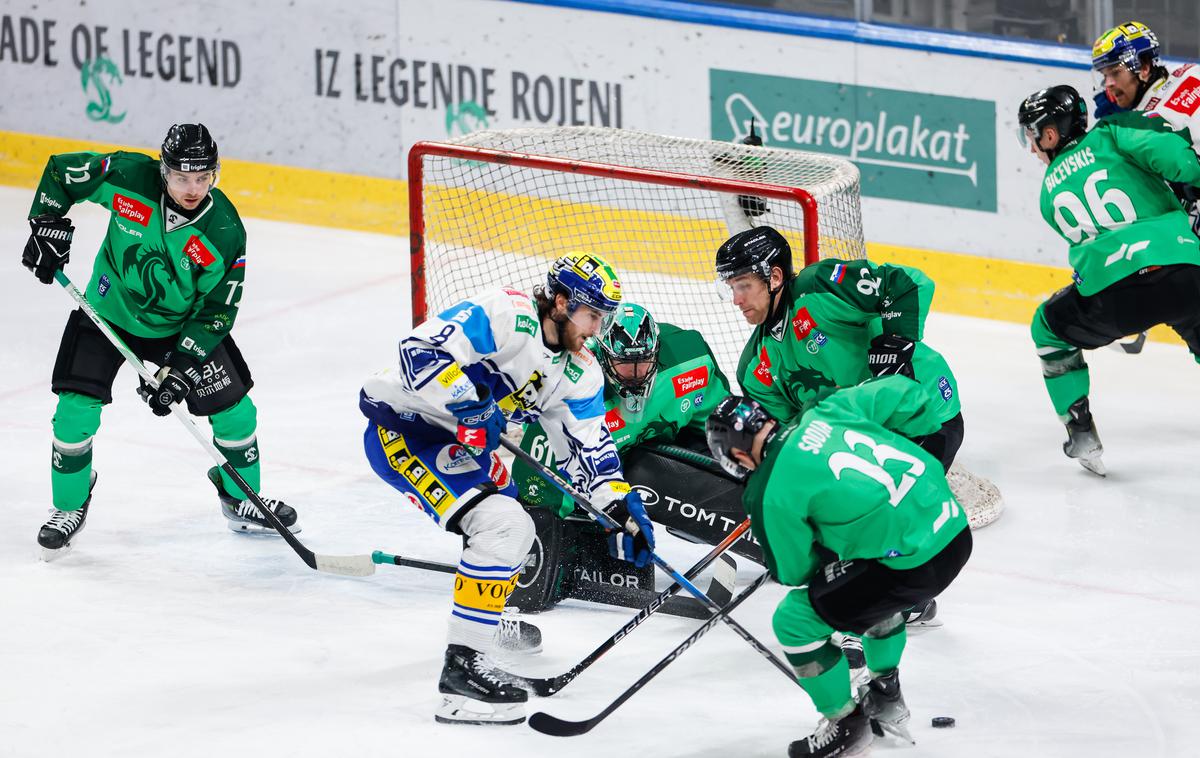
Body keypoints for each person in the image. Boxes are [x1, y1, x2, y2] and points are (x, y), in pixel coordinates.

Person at [358, 252, 655, 725]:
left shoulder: (581, 374)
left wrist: (618, 506)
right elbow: (417, 352)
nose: (597, 331)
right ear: (561, 301)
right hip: (408, 430)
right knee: (502, 525)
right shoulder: (506, 314)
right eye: (591, 315)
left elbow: (589, 453)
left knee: (513, 535)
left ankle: (480, 625)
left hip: (467, 449)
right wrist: (470, 403)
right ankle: (461, 678)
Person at [22, 123, 297, 561]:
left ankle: (240, 498)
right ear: (163, 171)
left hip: (181, 327)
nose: (192, 188)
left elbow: (218, 310)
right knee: (73, 414)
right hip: (106, 313)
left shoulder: (224, 231)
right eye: (182, 177)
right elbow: (62, 171)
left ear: (215, 174)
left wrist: (183, 369)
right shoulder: (129, 176)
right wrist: (46, 222)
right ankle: (69, 506)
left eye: (202, 177)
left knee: (236, 413)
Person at [705, 376, 972, 757]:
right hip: (954, 529)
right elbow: (906, 391)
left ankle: (845, 724)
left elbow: (794, 571)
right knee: (870, 582)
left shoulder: (768, 492)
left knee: (795, 620)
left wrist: (825, 544)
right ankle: (884, 691)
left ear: (738, 455)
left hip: (917, 563)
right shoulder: (828, 410)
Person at [1018, 84, 1200, 475]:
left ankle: (1081, 434)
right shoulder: (1116, 130)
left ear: (1050, 134)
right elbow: (1180, 163)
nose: (1032, 148)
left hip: (1112, 299)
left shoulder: (1048, 193)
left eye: (1032, 137)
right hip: (1183, 270)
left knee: (1047, 329)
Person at [716, 226, 964, 473]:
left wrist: (896, 343)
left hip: (929, 416)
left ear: (775, 277)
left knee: (887, 504)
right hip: (867, 444)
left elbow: (906, 284)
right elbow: (797, 438)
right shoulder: (753, 368)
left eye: (743, 286)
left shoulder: (818, 287)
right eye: (732, 288)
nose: (736, 300)